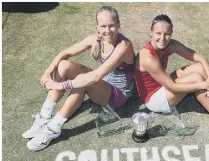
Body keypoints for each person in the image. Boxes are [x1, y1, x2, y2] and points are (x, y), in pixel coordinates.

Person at [22, 6, 135, 151]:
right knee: (64, 65)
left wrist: (60, 85)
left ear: (118, 25)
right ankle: (44, 117)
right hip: (102, 83)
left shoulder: (124, 46)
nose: (107, 30)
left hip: (117, 94)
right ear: (97, 27)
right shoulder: (96, 38)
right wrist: (48, 71)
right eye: (103, 26)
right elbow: (65, 53)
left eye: (112, 25)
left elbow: (95, 76)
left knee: (83, 80)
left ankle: (53, 129)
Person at [134, 14, 209, 136]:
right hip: (153, 99)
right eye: (158, 33)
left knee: (200, 68)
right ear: (151, 32)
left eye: (166, 34)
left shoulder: (171, 44)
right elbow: (172, 87)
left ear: (171, 32)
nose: (162, 38)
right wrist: (205, 84)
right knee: (196, 80)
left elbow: (201, 59)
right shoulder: (147, 57)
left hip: (163, 84)